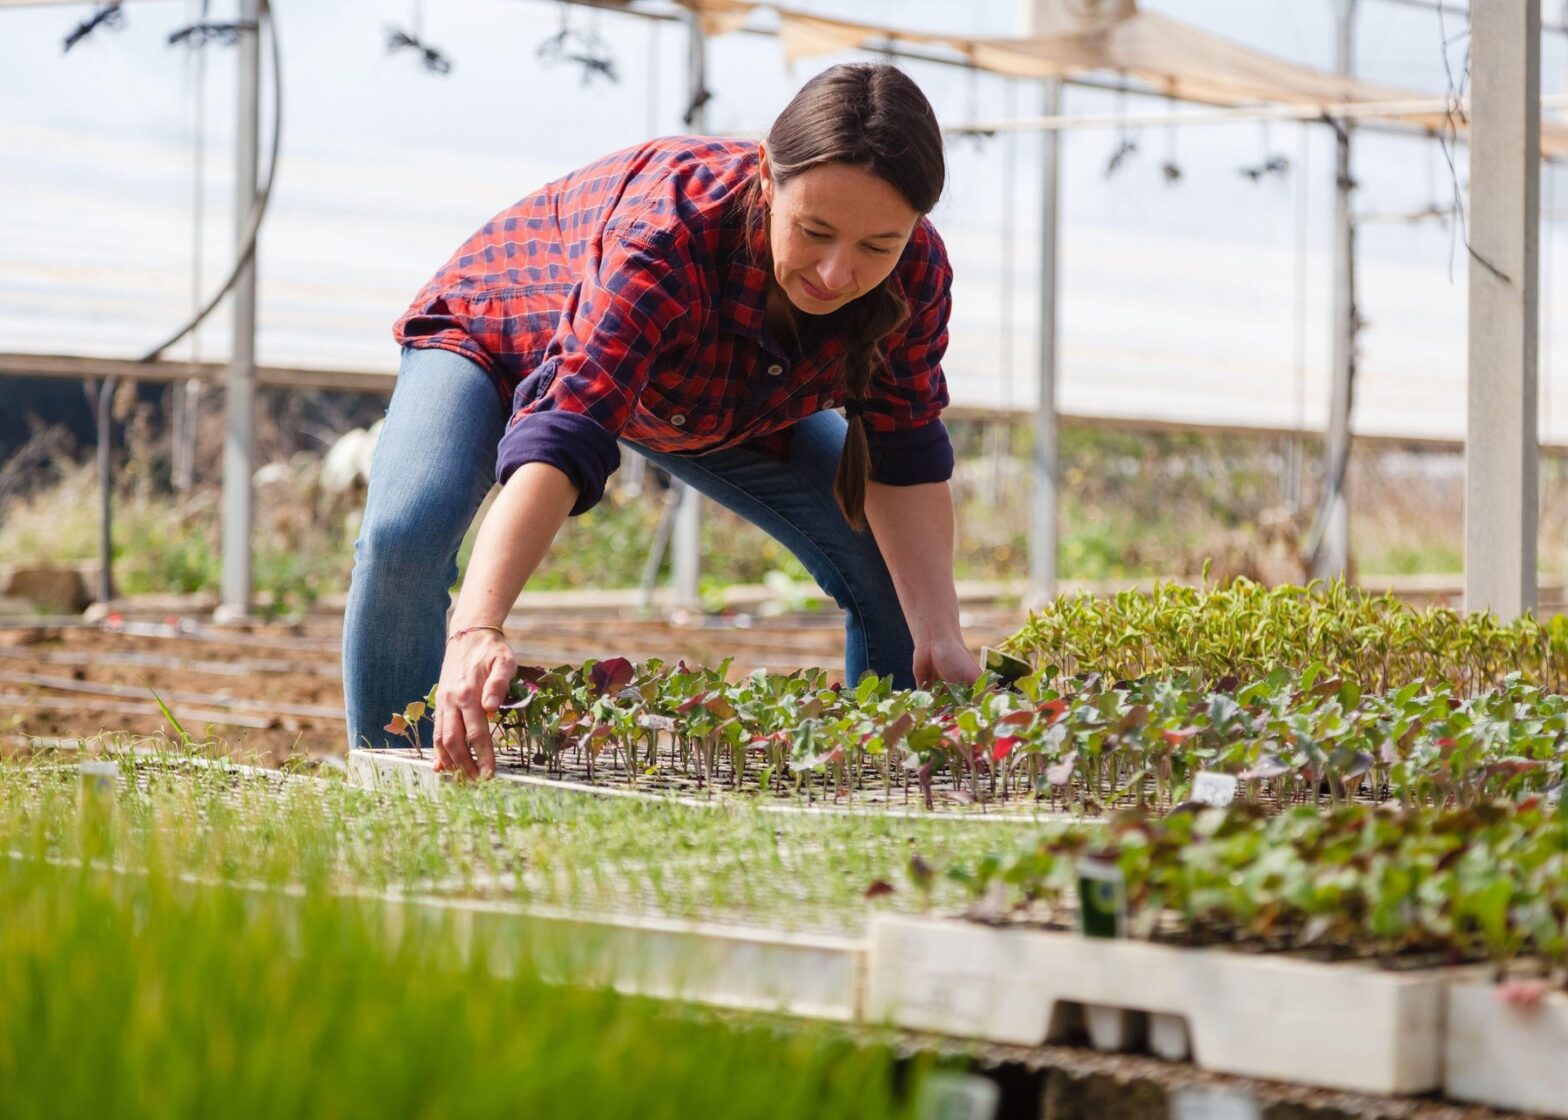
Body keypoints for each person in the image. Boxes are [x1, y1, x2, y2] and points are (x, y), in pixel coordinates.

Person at [342, 62, 980, 778]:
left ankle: (886, 782)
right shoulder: (670, 228)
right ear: (767, 180)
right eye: (814, 231)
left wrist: (940, 631)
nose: (836, 274)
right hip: (497, 334)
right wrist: (478, 626)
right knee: (405, 534)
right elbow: (572, 422)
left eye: (876, 247)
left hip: (695, 395)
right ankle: (392, 781)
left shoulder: (919, 274)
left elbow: (902, 450)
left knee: (890, 565)